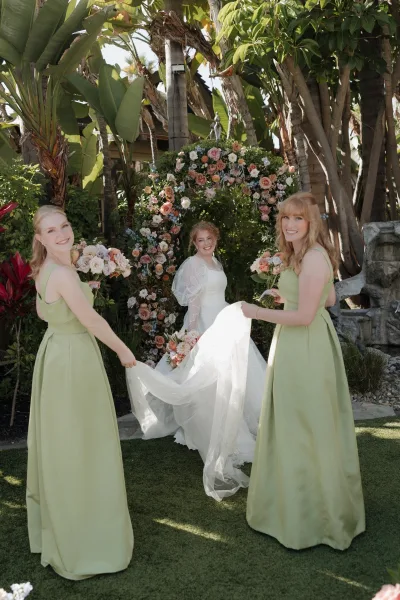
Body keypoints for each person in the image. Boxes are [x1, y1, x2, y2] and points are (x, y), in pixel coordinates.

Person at [242, 192, 365, 550]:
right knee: (300, 423)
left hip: (306, 345)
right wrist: (286, 297)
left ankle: (317, 519)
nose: (290, 224)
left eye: (298, 219)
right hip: (300, 345)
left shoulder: (312, 258)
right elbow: (327, 299)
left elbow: (306, 316)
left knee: (306, 424)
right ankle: (297, 508)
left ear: (310, 224)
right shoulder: (301, 257)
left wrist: (257, 312)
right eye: (285, 218)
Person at [27, 205, 135, 580]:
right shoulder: (62, 274)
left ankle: (69, 522)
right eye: (51, 230)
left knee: (67, 443)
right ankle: (85, 539)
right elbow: (91, 320)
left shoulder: (45, 270)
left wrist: (81, 290)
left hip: (57, 352)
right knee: (81, 444)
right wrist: (123, 350)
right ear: (39, 238)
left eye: (65, 226)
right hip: (73, 360)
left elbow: (45, 314)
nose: (61, 234)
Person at [127, 221, 266, 501]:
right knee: (205, 375)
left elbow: (219, 296)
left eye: (209, 238)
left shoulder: (216, 262)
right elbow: (194, 303)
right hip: (204, 323)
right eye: (200, 240)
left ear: (215, 239)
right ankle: (202, 427)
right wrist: (191, 334)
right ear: (194, 242)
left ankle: (240, 421)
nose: (206, 243)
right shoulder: (193, 264)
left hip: (225, 320)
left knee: (238, 373)